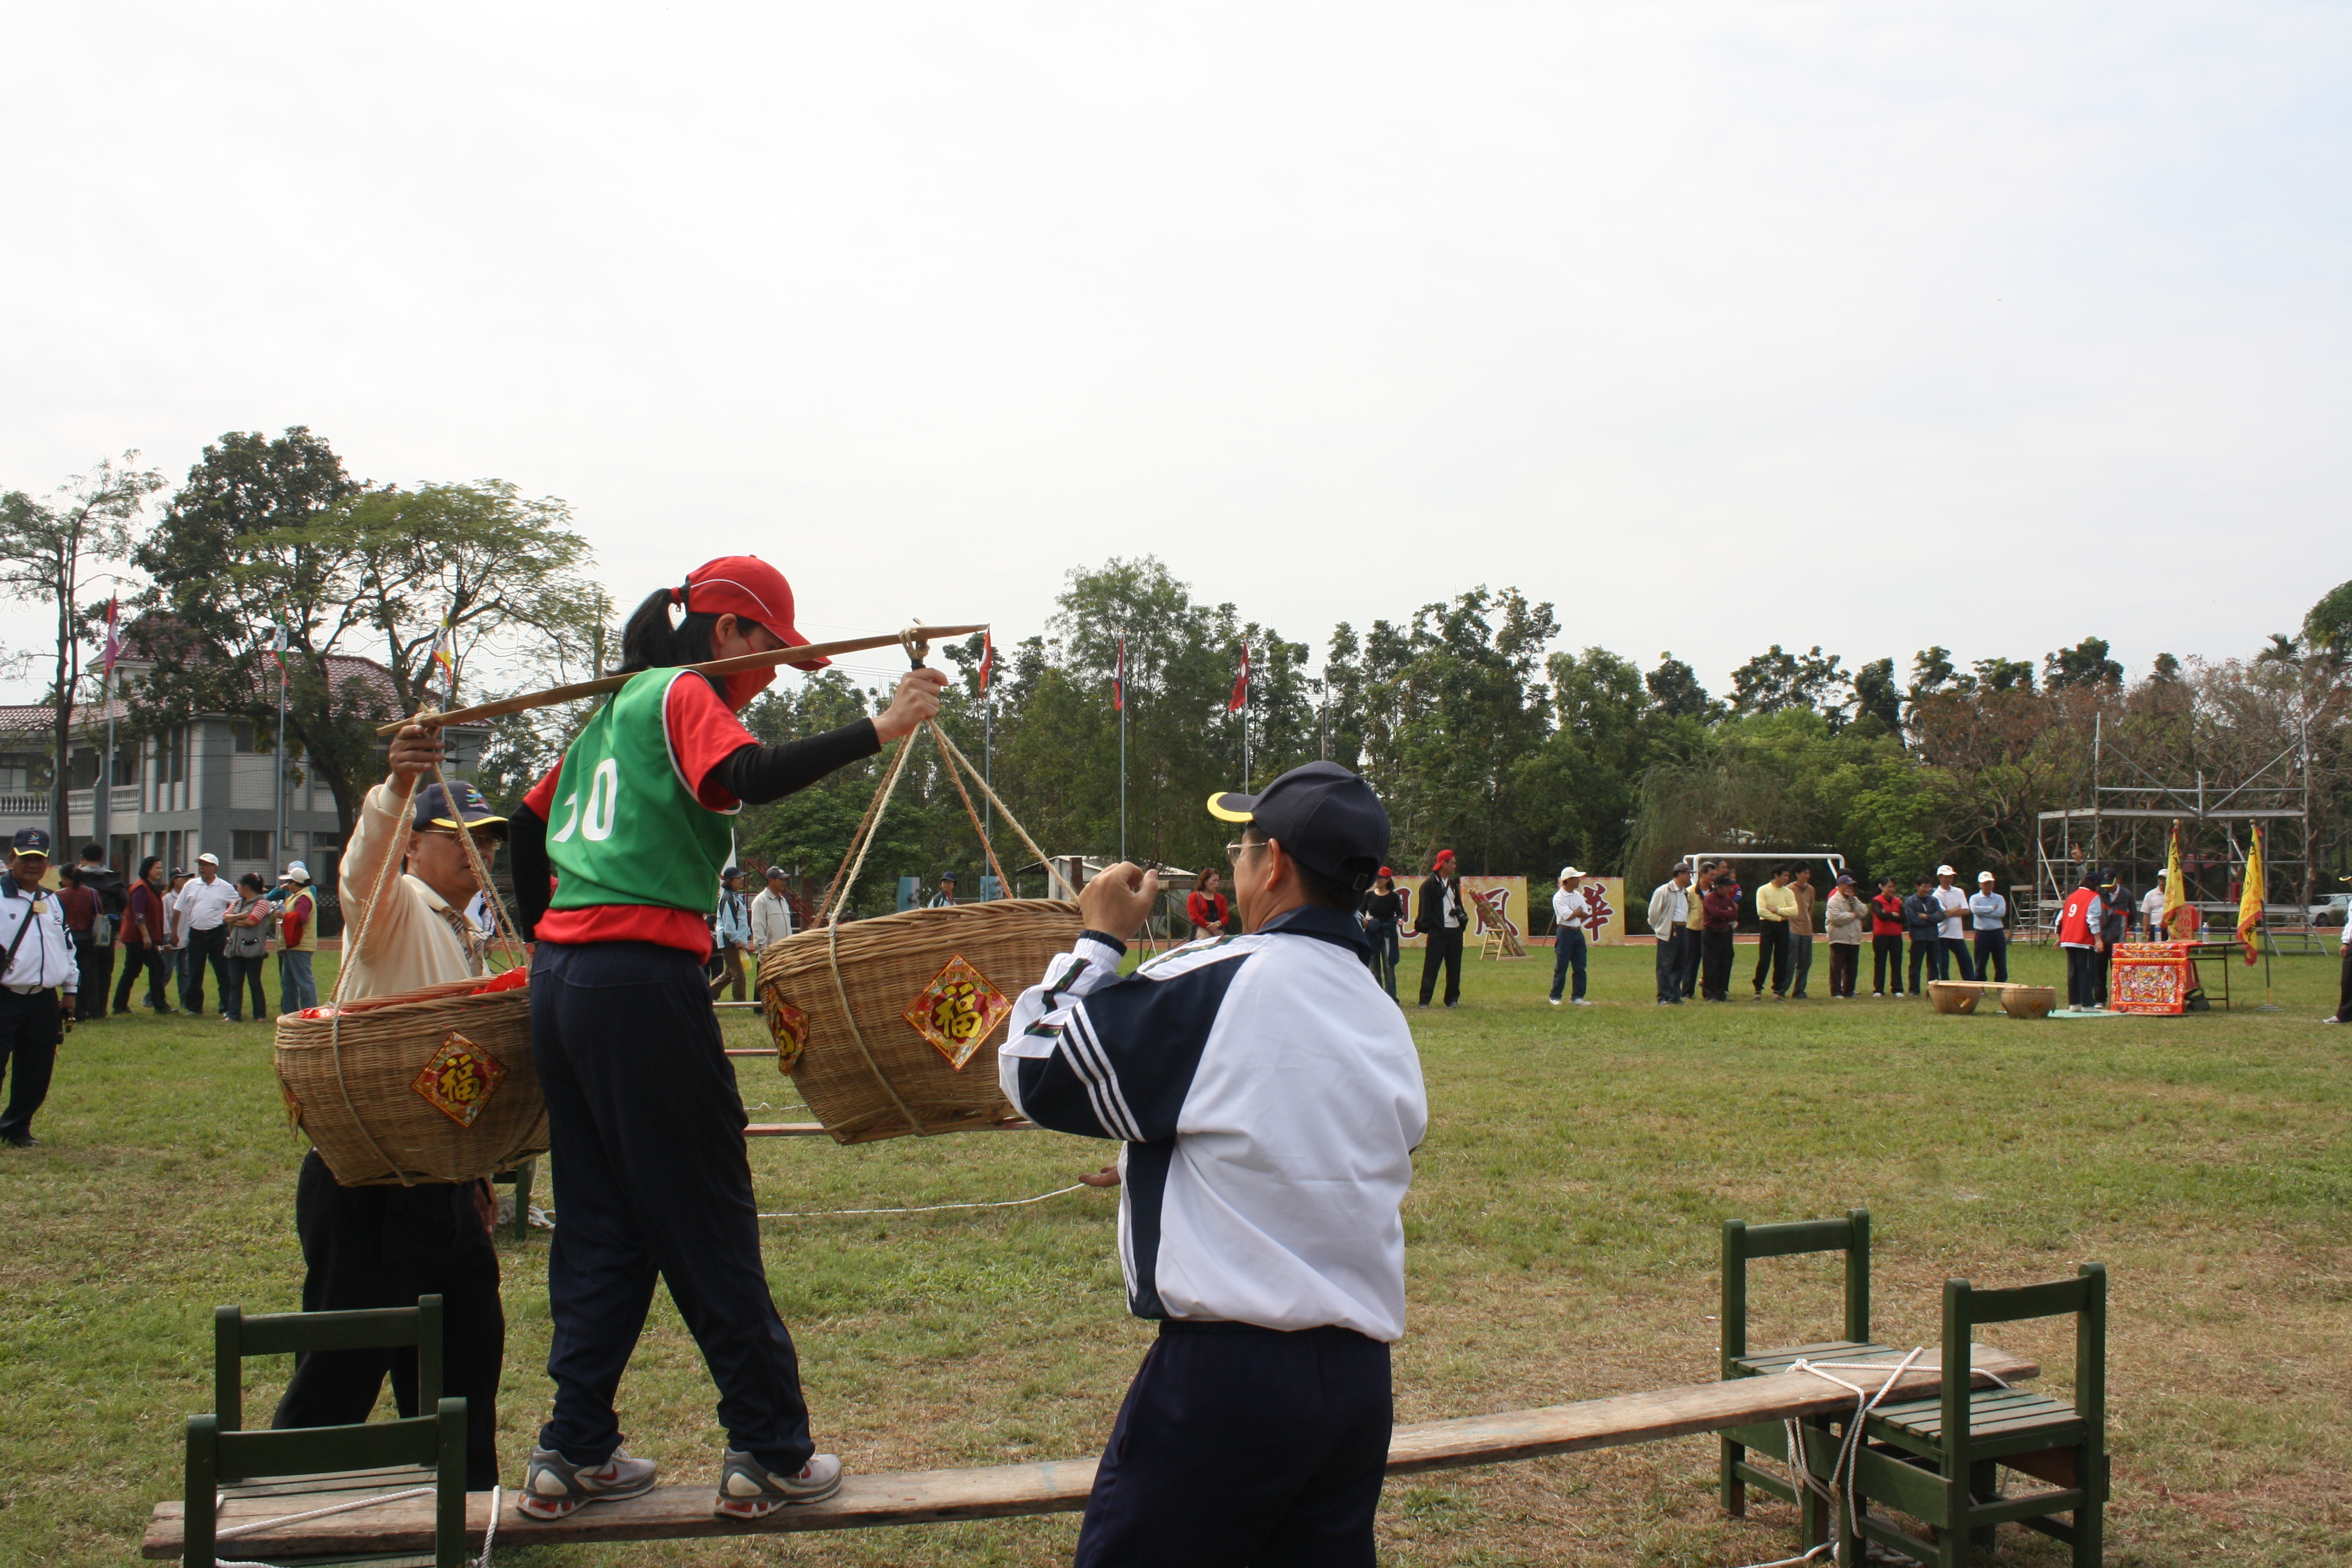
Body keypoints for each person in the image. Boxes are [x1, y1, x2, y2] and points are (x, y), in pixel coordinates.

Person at [505, 555, 945, 1520]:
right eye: (768, 654)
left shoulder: (609, 714)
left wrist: (548, 938)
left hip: (566, 987)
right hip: (637, 980)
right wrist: (881, 728)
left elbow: (520, 829)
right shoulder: (680, 691)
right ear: (726, 632)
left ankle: (572, 1447)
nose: (770, 678)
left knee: (602, 1222)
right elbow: (741, 775)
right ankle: (771, 1449)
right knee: (704, 1210)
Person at [1000, 761, 1425, 1567]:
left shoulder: (1216, 979)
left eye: (1241, 846)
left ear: (1275, 865)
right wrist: (1171, 1162)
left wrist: (1097, 940)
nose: (1234, 864)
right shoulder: (1379, 1010)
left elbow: (1035, 1067)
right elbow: (1344, 1149)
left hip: (1230, 1382)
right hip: (1357, 1385)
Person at [271, 750, 517, 1491]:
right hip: (370, 1181)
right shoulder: (396, 907)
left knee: (467, 1351)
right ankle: (273, 1518)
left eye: (489, 841)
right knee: (345, 1362)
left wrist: (474, 1176)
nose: (480, 854)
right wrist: (399, 787)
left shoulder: (462, 929)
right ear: (412, 844)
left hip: (442, 1183)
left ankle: (465, 1508)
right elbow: (362, 868)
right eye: (458, 837)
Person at [0, 831, 78, 1148]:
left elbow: (67, 947)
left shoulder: (51, 901)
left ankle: (17, 1127)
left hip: (43, 999)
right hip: (5, 996)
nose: (33, 865)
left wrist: (70, 990)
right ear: (10, 860)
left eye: (39, 859)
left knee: (36, 1068)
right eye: (25, 858)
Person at [174, 853, 240, 1014]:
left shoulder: (224, 887)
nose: (201, 868)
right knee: (195, 971)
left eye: (205, 865)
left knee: (223, 971)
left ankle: (226, 1006)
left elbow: (239, 902)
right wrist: (174, 932)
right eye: (200, 864)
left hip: (217, 933)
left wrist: (230, 917)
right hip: (196, 934)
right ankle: (194, 1007)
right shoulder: (191, 885)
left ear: (214, 867)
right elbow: (178, 908)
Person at [114, 855, 175, 1014]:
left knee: (132, 970)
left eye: (161, 868)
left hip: (138, 937)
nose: (160, 871)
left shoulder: (147, 887)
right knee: (158, 966)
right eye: (157, 868)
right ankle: (160, 1005)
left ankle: (119, 1006)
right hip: (138, 938)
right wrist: (146, 936)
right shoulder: (141, 888)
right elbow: (138, 913)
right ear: (147, 869)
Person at [71, 842, 124, 1021]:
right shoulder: (113, 879)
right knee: (104, 970)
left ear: (81, 858)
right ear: (102, 858)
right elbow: (124, 902)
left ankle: (82, 1008)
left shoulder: (76, 878)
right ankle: (100, 1009)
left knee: (81, 970)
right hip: (105, 930)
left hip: (81, 932)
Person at [1414, 849, 1465, 1008]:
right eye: (1453, 863)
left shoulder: (1452, 883)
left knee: (1455, 967)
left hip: (1455, 931)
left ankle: (1452, 999)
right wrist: (1432, 928)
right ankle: (1425, 1000)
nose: (1455, 866)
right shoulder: (1429, 885)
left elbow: (1458, 904)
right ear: (1444, 864)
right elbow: (1424, 910)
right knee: (1432, 967)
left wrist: (1461, 920)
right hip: (1438, 932)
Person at [56, 864, 105, 1022]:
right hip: (88, 940)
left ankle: (77, 1011)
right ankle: (94, 1010)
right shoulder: (92, 893)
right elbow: (100, 916)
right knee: (89, 977)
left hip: (68, 940)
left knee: (72, 976)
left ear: (65, 879)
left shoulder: (59, 895)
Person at [222, 873, 273, 1022]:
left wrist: (236, 919)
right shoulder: (238, 902)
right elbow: (225, 917)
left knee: (254, 982)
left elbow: (252, 922)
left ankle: (260, 1014)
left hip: (254, 950)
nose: (237, 888)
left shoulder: (263, 903)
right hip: (235, 949)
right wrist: (242, 916)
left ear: (246, 887)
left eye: (239, 885)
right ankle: (233, 1013)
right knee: (235, 983)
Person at [2057, 868, 2107, 1010]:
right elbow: (2093, 919)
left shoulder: (2072, 896)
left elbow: (2061, 918)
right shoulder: (2093, 897)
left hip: (2068, 938)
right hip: (2083, 940)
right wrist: (2098, 939)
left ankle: (2074, 1003)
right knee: (2086, 971)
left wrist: (2060, 935)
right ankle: (2087, 1003)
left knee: (2073, 972)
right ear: (2095, 884)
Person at [275, 863, 320, 1013]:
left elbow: (302, 918)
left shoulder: (303, 898)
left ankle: (310, 1012)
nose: (287, 885)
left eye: (289, 882)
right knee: (287, 982)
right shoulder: (298, 896)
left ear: (297, 883)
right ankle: (290, 1012)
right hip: (293, 944)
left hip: (300, 944)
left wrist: (284, 916)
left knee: (303, 981)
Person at [1647, 863, 1693, 1006]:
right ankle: (1663, 997)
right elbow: (1653, 913)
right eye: (1688, 874)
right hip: (1669, 929)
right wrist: (1660, 928)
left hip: (1682, 928)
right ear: (1680, 874)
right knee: (1665, 964)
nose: (1690, 877)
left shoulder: (1685, 892)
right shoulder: (1664, 891)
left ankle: (1675, 996)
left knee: (1680, 963)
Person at [1548, 866, 1592, 1006]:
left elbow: (1585, 913)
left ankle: (1577, 996)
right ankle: (1555, 996)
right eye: (1576, 878)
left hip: (1577, 932)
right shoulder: (1559, 897)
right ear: (1569, 880)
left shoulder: (1578, 895)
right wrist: (1577, 912)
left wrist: (1576, 912)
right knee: (1562, 966)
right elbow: (1567, 916)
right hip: (1565, 933)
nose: (1579, 881)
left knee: (1580, 966)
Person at [1359, 867, 1405, 999]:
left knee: (1389, 967)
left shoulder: (1393, 896)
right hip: (1372, 933)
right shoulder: (1369, 895)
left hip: (1387, 934)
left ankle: (1391, 998)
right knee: (1374, 968)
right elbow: (1361, 911)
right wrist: (1364, 921)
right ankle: (1377, 998)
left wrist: (1400, 920)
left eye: (1381, 878)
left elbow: (1400, 912)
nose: (1377, 880)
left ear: (1388, 880)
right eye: (1376, 877)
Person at [1751, 865, 1795, 999]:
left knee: (1781, 958)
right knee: (1765, 958)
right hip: (1767, 925)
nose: (1787, 879)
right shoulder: (1763, 890)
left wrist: (1777, 910)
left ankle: (1778, 990)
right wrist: (1779, 916)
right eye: (1785, 876)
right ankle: (1758, 989)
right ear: (1776, 875)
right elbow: (1762, 911)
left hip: (1783, 926)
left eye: (1788, 876)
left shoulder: (1788, 892)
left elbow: (1794, 911)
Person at [710, 867, 752, 1001]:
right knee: (738, 974)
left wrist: (748, 934)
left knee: (730, 973)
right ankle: (740, 1002)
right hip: (729, 941)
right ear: (729, 881)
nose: (741, 881)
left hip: (734, 940)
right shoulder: (728, 897)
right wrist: (736, 940)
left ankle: (704, 995)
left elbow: (741, 920)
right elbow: (729, 924)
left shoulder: (735, 896)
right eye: (738, 879)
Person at [1823, 874, 1867, 999]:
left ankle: (1849, 990)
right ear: (1840, 886)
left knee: (1852, 967)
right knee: (1837, 967)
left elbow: (1864, 911)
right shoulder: (1834, 901)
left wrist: (1854, 901)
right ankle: (1836, 991)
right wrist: (1853, 915)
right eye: (1848, 885)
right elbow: (1836, 918)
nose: (1850, 888)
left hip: (1854, 938)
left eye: (1852, 886)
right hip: (1839, 937)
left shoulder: (1854, 900)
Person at [1931, 864, 1977, 982]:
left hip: (1957, 934)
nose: (1949, 879)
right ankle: (1945, 985)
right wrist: (1957, 909)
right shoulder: (1936, 895)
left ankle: (1971, 983)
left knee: (1966, 959)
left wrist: (1951, 911)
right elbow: (1943, 914)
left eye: (1950, 877)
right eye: (1946, 877)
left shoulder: (1959, 891)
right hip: (1942, 933)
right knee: (1943, 963)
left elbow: (1966, 910)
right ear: (1940, 877)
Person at [1700, 867, 1740, 1001]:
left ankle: (1721, 992)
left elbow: (1734, 914)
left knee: (1725, 962)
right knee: (1711, 963)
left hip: (1725, 934)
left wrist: (1726, 914)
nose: (1730, 889)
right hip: (1712, 934)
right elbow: (1716, 914)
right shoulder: (1710, 898)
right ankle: (1710, 993)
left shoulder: (1728, 899)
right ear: (1718, 887)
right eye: (1727, 886)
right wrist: (1726, 913)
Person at [1869, 875, 1907, 998]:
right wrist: (1893, 915)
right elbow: (1880, 915)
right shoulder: (1877, 901)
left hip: (1896, 935)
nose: (1892, 890)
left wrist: (1889, 915)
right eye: (1889, 887)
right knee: (1880, 962)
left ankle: (1897, 988)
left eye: (1893, 887)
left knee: (1896, 962)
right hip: (1881, 936)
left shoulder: (1897, 901)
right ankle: (1878, 989)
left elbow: (1903, 918)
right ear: (1882, 887)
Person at [1903, 875, 1942, 995]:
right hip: (1918, 937)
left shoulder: (1933, 900)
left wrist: (1927, 917)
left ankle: (1933, 989)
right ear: (1917, 887)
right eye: (1925, 887)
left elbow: (1941, 916)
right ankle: (1914, 990)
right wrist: (1931, 919)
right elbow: (1913, 920)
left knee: (1933, 964)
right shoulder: (1910, 901)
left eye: (1929, 887)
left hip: (1933, 937)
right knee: (1915, 964)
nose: (1927, 890)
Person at [1969, 871, 2010, 982]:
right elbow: (1975, 910)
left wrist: (1984, 912)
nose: (1988, 886)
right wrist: (1992, 908)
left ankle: (2001, 984)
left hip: (1997, 933)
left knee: (2000, 960)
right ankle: (1980, 984)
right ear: (1980, 884)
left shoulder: (1999, 898)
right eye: (1986, 883)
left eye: (1990, 883)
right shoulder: (1975, 898)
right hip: (1982, 933)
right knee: (1980, 961)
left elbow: (2001, 913)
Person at [1679, 861, 1710, 999]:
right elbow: (1685, 910)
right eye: (1712, 874)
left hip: (1710, 931)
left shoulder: (1714, 892)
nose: (1714, 877)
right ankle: (1687, 992)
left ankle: (1709, 992)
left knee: (1710, 962)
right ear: (1703, 874)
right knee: (1691, 962)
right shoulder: (1691, 892)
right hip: (1693, 931)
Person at [1786, 866, 1817, 999]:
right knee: (1790, 961)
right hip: (1793, 928)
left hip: (1807, 930)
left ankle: (1799, 990)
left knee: (1806, 962)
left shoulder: (1811, 889)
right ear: (1797, 874)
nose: (1808, 875)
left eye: (1809, 872)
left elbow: (1810, 908)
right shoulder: (1789, 889)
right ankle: (1782, 989)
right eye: (1805, 872)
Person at [750, 866, 797, 953]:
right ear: (771, 880)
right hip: (770, 952)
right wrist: (763, 949)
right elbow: (758, 926)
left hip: (785, 952)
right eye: (781, 880)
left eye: (784, 880)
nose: (784, 883)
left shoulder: (783, 901)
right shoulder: (761, 900)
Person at [163, 867, 191, 1001]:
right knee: (166, 972)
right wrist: (167, 937)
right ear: (174, 880)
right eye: (183, 878)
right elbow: (164, 920)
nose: (186, 881)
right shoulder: (168, 899)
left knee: (185, 972)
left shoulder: (188, 898)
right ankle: (150, 999)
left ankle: (185, 1000)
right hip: (172, 941)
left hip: (185, 940)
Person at [1184, 868, 1231, 939]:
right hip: (1201, 931)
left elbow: (1226, 917)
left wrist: (1217, 924)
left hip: (1219, 930)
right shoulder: (1194, 897)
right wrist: (1210, 928)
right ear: (1205, 881)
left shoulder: (1221, 898)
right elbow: (1195, 916)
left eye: (1218, 881)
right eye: (1214, 881)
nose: (1217, 884)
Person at [2141, 879, 2167, 944]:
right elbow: (2146, 914)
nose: (2162, 881)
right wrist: (2145, 932)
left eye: (2164, 878)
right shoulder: (2150, 895)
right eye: (2160, 878)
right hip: (2155, 927)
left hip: (2170, 928)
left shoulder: (2175, 894)